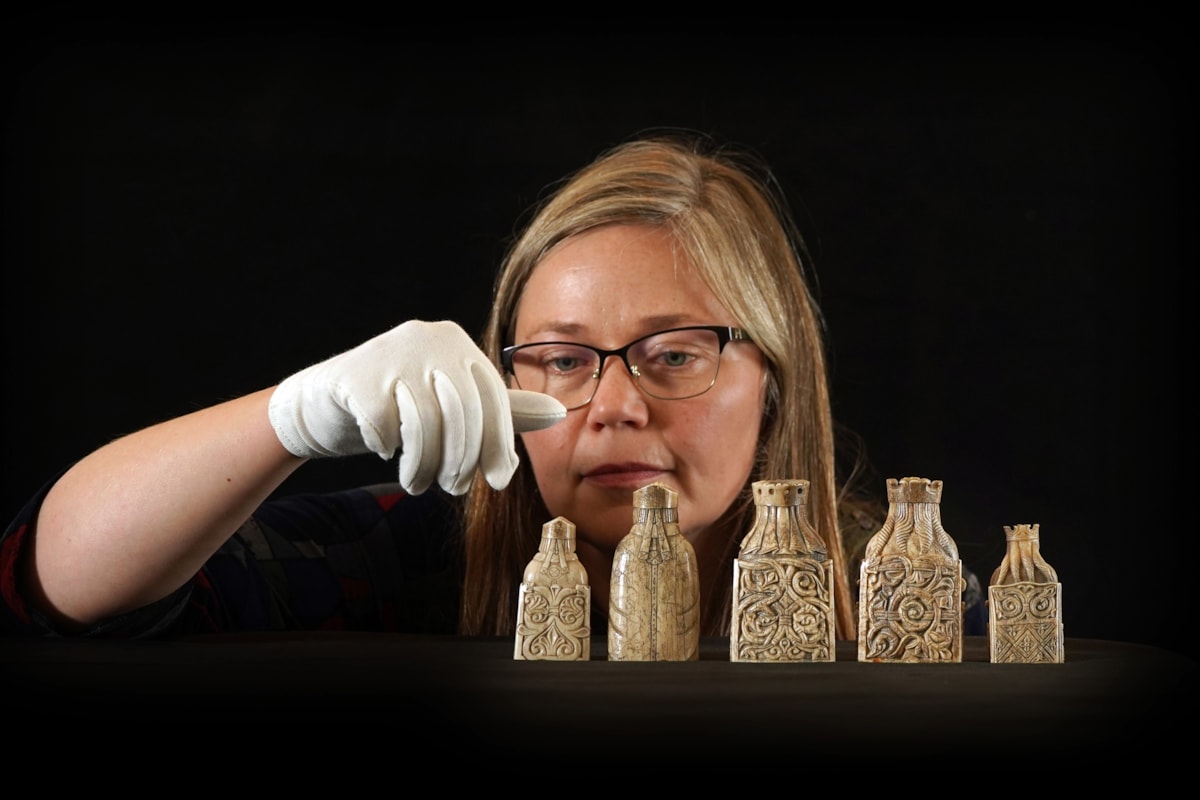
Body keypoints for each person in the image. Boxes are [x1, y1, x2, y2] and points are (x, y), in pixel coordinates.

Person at [0, 131, 985, 641]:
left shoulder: (896, 584)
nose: (614, 405)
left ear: (774, 379)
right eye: (561, 356)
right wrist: (291, 415)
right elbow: (67, 586)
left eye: (675, 351)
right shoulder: (415, 546)